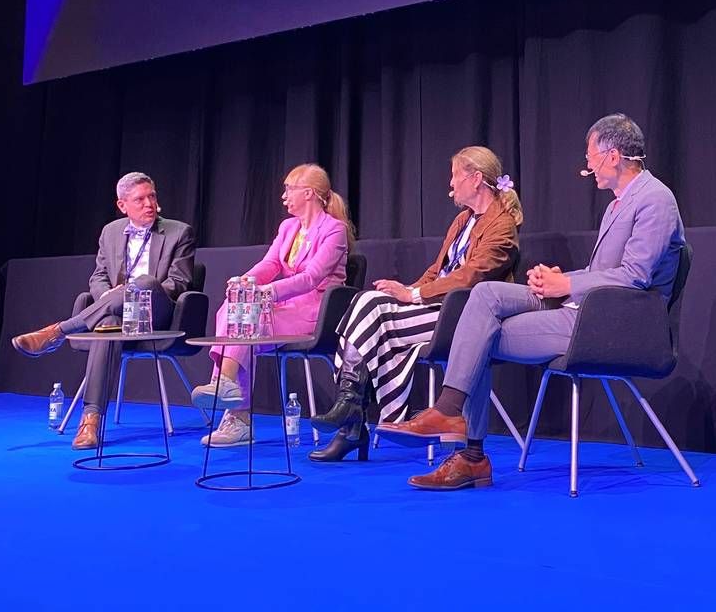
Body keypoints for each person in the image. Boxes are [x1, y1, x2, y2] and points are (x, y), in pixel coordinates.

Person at [378, 114, 684, 490]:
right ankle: (451, 417)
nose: (586, 165)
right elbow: (603, 269)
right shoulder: (618, 204)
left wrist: (565, 285)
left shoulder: (655, 199)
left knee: (480, 337)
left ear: (613, 155)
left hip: (613, 325)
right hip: (587, 308)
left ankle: (468, 450)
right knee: (485, 295)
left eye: (590, 156)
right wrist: (560, 278)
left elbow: (634, 276)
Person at [307, 146, 521, 463]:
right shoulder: (462, 220)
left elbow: (469, 278)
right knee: (366, 300)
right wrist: (407, 289)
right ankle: (350, 413)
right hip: (435, 307)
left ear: (476, 179)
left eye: (455, 176)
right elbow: (438, 270)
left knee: (371, 318)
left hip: (463, 317)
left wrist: (414, 296)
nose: (450, 184)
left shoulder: (502, 225)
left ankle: (351, 425)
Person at [11, 172, 196, 449]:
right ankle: (91, 421)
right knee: (107, 323)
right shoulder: (110, 232)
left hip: (157, 312)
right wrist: (108, 296)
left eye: (152, 196)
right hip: (116, 313)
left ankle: (58, 331)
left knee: (143, 283)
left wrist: (133, 293)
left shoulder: (179, 232)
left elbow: (179, 282)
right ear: (122, 205)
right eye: (140, 199)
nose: (149, 204)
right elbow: (98, 277)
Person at [193, 163, 352, 447]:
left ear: (309, 193)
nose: (284, 196)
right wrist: (246, 281)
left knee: (249, 315)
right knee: (234, 307)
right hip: (283, 307)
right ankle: (232, 403)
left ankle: (231, 400)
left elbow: (312, 276)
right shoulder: (288, 227)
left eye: (289, 189)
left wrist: (266, 292)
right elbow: (271, 263)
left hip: (316, 311)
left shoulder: (334, 230)